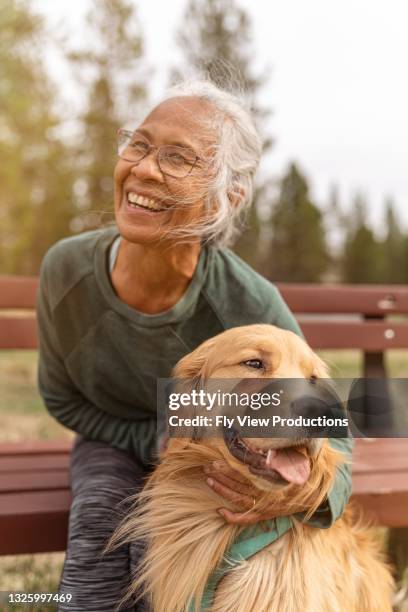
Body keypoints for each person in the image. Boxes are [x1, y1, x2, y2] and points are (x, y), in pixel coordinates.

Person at [37, 79, 353, 612]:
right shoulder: (66, 270)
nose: (142, 168)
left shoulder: (249, 302)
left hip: (222, 449)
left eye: (177, 157)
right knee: (99, 521)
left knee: (156, 554)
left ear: (228, 197)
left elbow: (332, 432)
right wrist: (157, 438)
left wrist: (307, 494)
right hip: (115, 440)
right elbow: (62, 398)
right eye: (137, 144)